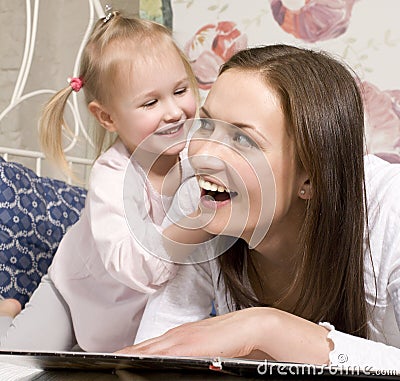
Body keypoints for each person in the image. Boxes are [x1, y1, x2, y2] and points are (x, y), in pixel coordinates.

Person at [117, 44, 400, 371]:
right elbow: (159, 346)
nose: (205, 155)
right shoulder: (201, 200)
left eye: (242, 140)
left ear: (309, 177)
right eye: (206, 125)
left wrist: (267, 329)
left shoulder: (389, 210)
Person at [0, 9, 202, 352]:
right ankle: (7, 314)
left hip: (137, 310)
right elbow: (130, 266)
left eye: (181, 90)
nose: (173, 111)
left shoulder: (198, 161)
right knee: (15, 362)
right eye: (151, 102)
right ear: (107, 117)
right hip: (73, 294)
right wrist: (194, 227)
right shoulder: (113, 175)